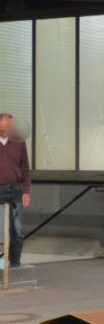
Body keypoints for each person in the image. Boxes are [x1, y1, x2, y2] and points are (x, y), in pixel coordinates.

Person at [0, 113, 30, 268]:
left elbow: (25, 167)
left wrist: (26, 191)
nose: (5, 131)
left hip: (15, 190)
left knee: (17, 230)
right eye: (2, 129)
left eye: (7, 128)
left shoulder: (19, 140)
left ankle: (15, 263)